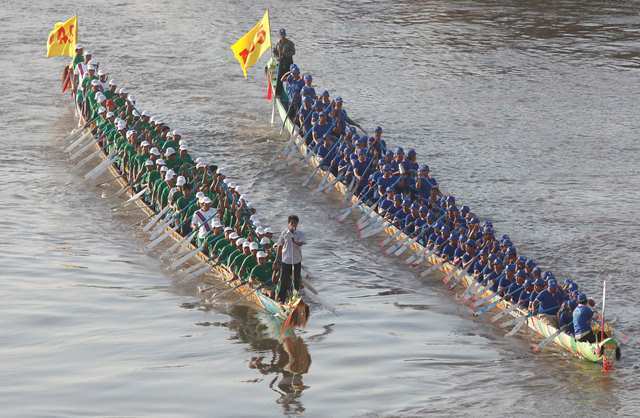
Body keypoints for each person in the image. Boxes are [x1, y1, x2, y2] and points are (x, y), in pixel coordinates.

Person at [276, 215, 306, 303]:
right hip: (286, 261)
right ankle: (281, 300)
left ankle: (294, 299)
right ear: (288, 223)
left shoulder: (300, 234)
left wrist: (293, 239)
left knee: (296, 281)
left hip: (296, 261)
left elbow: (300, 243)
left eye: (295, 223)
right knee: (284, 281)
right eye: (291, 223)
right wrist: (277, 259)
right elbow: (279, 245)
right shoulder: (284, 233)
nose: (293, 225)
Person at [273, 28, 295, 97]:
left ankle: (291, 92)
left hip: (288, 63)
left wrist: (285, 54)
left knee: (290, 77)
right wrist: (277, 57)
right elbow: (275, 52)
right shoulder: (277, 43)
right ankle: (278, 93)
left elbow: (293, 52)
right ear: (279, 35)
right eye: (281, 35)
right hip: (281, 63)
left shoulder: (290, 43)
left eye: (283, 35)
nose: (282, 36)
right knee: (279, 77)